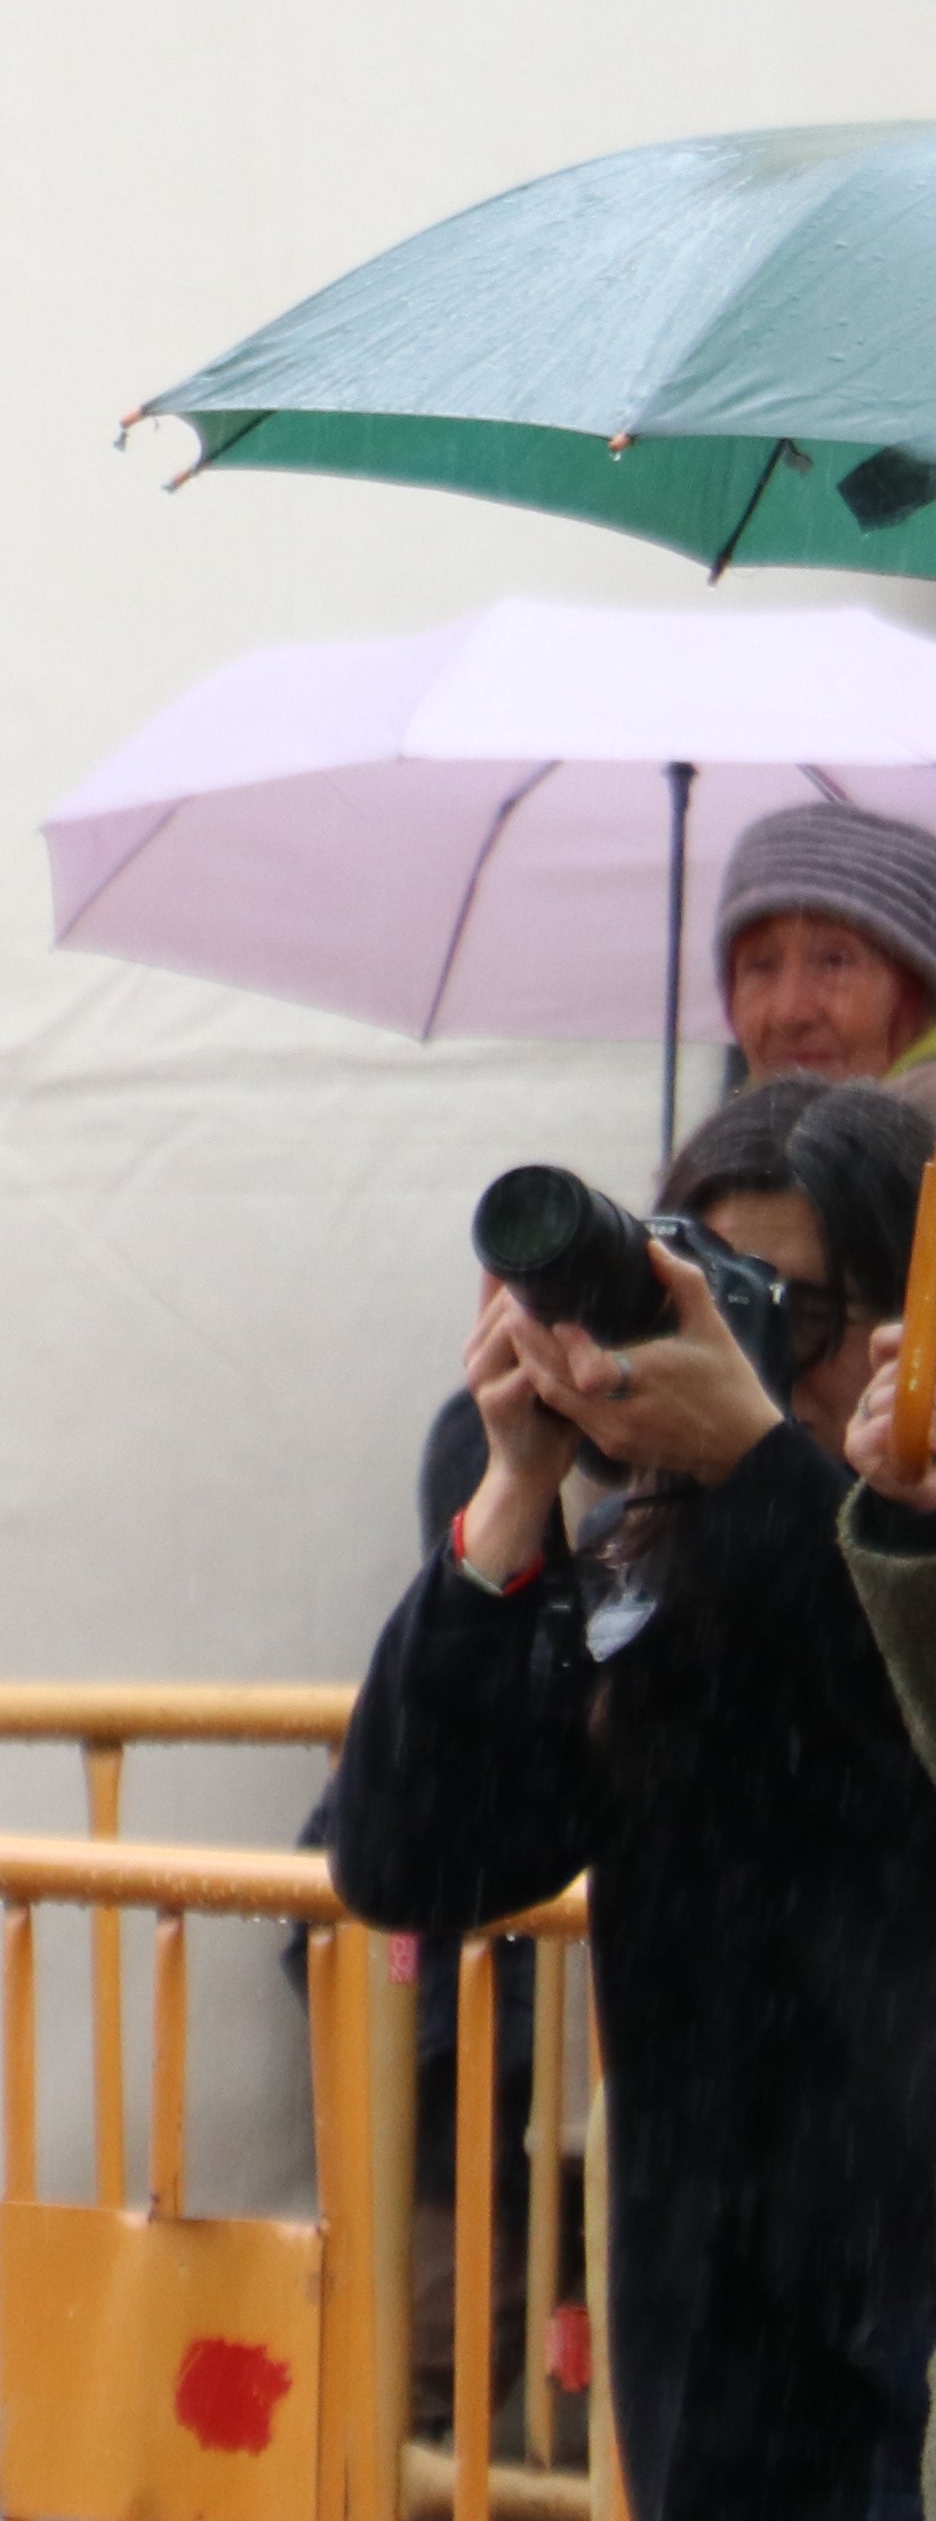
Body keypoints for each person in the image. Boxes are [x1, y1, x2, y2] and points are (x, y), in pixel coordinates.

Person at [330, 1077, 936, 2519]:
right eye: (704, 1294)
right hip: (706, 2360)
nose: (735, 1350)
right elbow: (412, 1859)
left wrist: (775, 1470)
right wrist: (513, 1500)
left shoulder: (886, 1561)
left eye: (789, 1307)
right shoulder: (657, 1575)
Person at [720, 800, 936, 1085]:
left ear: (922, 990)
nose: (790, 1012)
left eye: (834, 962)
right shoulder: (738, 1129)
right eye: (760, 966)